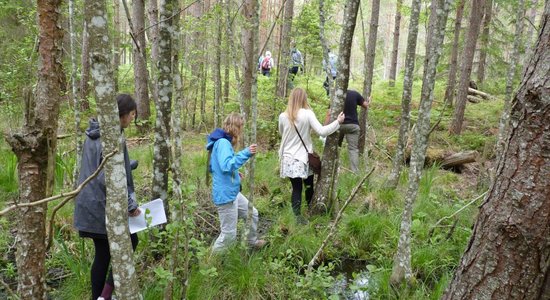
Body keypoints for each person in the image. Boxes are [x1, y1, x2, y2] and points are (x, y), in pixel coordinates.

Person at [74, 94, 141, 300]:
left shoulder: (95, 133)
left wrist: (127, 166)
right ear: (121, 114)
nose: (132, 119)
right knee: (129, 240)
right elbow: (107, 176)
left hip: (89, 202)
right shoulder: (110, 136)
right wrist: (130, 204)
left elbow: (99, 167)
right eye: (131, 115)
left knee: (102, 254)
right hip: (98, 206)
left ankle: (101, 296)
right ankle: (104, 296)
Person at [278, 88, 345, 224]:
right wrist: (338, 122)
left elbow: (282, 133)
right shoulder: (307, 114)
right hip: (303, 158)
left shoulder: (283, 116)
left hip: (288, 158)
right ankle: (310, 210)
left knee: (296, 188)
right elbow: (322, 131)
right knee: (309, 185)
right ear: (304, 98)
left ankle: (297, 217)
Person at [206, 113, 266, 252]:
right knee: (228, 235)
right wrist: (246, 153)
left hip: (232, 191)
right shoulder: (223, 143)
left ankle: (251, 242)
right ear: (234, 127)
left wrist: (234, 174)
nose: (241, 131)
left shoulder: (222, 141)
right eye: (240, 127)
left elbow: (217, 166)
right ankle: (211, 262)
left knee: (252, 214)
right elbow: (226, 165)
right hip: (226, 195)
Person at [325, 90, 371, 173]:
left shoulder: (336, 95)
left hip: (338, 125)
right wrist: (369, 101)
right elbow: (366, 105)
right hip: (353, 126)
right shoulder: (355, 94)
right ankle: (355, 172)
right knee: (353, 149)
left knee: (335, 146)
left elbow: (329, 113)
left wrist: (325, 128)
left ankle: (333, 169)